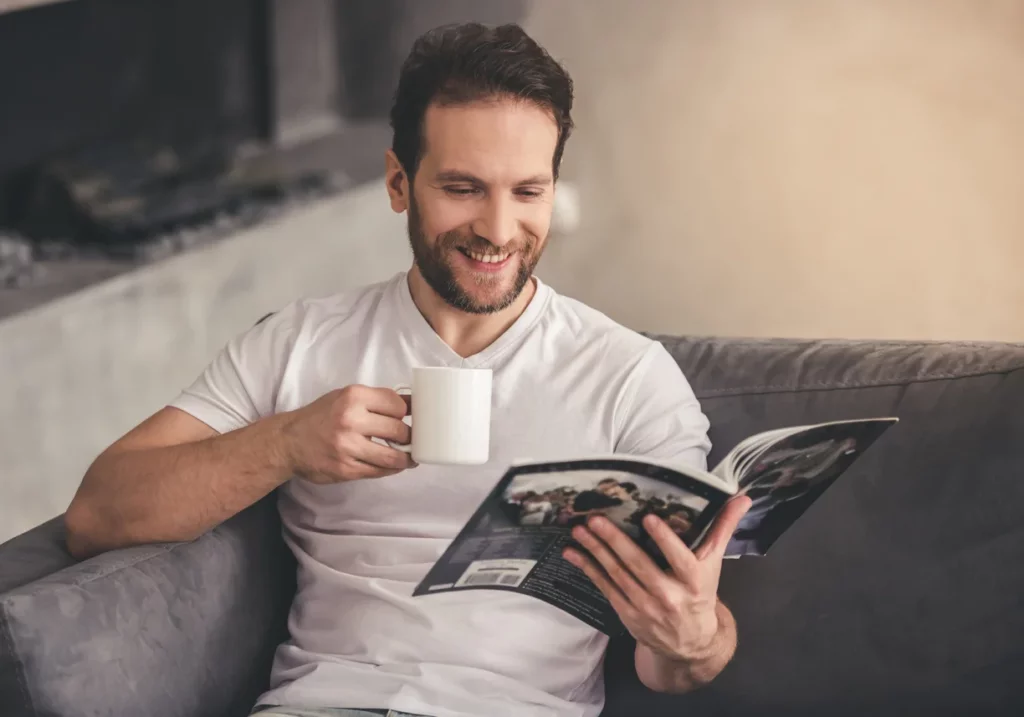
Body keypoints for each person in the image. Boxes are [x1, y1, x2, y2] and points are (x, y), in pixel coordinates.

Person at [63, 21, 751, 717]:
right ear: (399, 182)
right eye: (463, 188)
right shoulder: (300, 341)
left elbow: (675, 667)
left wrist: (693, 639)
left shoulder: (630, 377)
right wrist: (284, 443)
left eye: (527, 192)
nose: (498, 229)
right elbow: (96, 513)